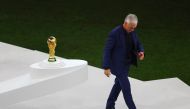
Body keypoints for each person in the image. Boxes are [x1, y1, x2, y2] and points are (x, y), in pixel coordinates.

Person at [102, 14, 145, 109]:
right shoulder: (114, 33)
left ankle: (109, 105)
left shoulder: (132, 31)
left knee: (118, 85)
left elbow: (138, 43)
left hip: (126, 65)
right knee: (126, 89)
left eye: (134, 28)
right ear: (125, 23)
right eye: (131, 28)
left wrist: (141, 51)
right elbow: (107, 50)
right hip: (118, 66)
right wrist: (106, 67)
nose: (132, 30)